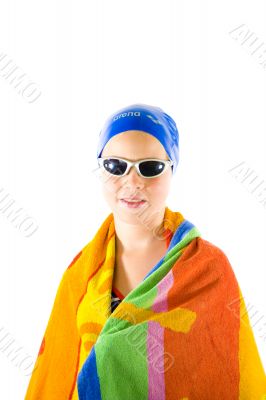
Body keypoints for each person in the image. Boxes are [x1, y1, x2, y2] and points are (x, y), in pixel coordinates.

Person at [24, 103, 266, 399]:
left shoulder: (208, 268)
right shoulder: (81, 274)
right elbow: (55, 375)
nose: (132, 182)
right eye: (115, 166)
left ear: (172, 170)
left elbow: (233, 375)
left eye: (150, 167)